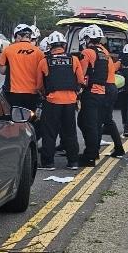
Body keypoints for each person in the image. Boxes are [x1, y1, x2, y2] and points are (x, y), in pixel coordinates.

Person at [78, 26, 124, 165]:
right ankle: (97, 150)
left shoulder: (88, 52)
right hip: (108, 88)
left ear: (87, 39)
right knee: (99, 121)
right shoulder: (104, 52)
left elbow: (82, 74)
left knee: (92, 122)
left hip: (100, 89)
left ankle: (93, 153)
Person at [38, 31, 84, 170]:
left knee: (49, 132)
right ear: (64, 45)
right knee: (70, 132)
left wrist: (43, 95)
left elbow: (39, 85)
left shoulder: (44, 61)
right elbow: (81, 80)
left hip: (52, 101)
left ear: (50, 45)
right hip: (70, 101)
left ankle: (48, 163)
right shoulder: (74, 60)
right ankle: (73, 162)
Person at [0, 24, 44, 115]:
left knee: (14, 119)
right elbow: (42, 72)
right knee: (30, 118)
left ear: (18, 36)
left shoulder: (8, 50)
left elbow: (2, 71)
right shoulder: (39, 53)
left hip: (12, 93)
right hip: (32, 93)